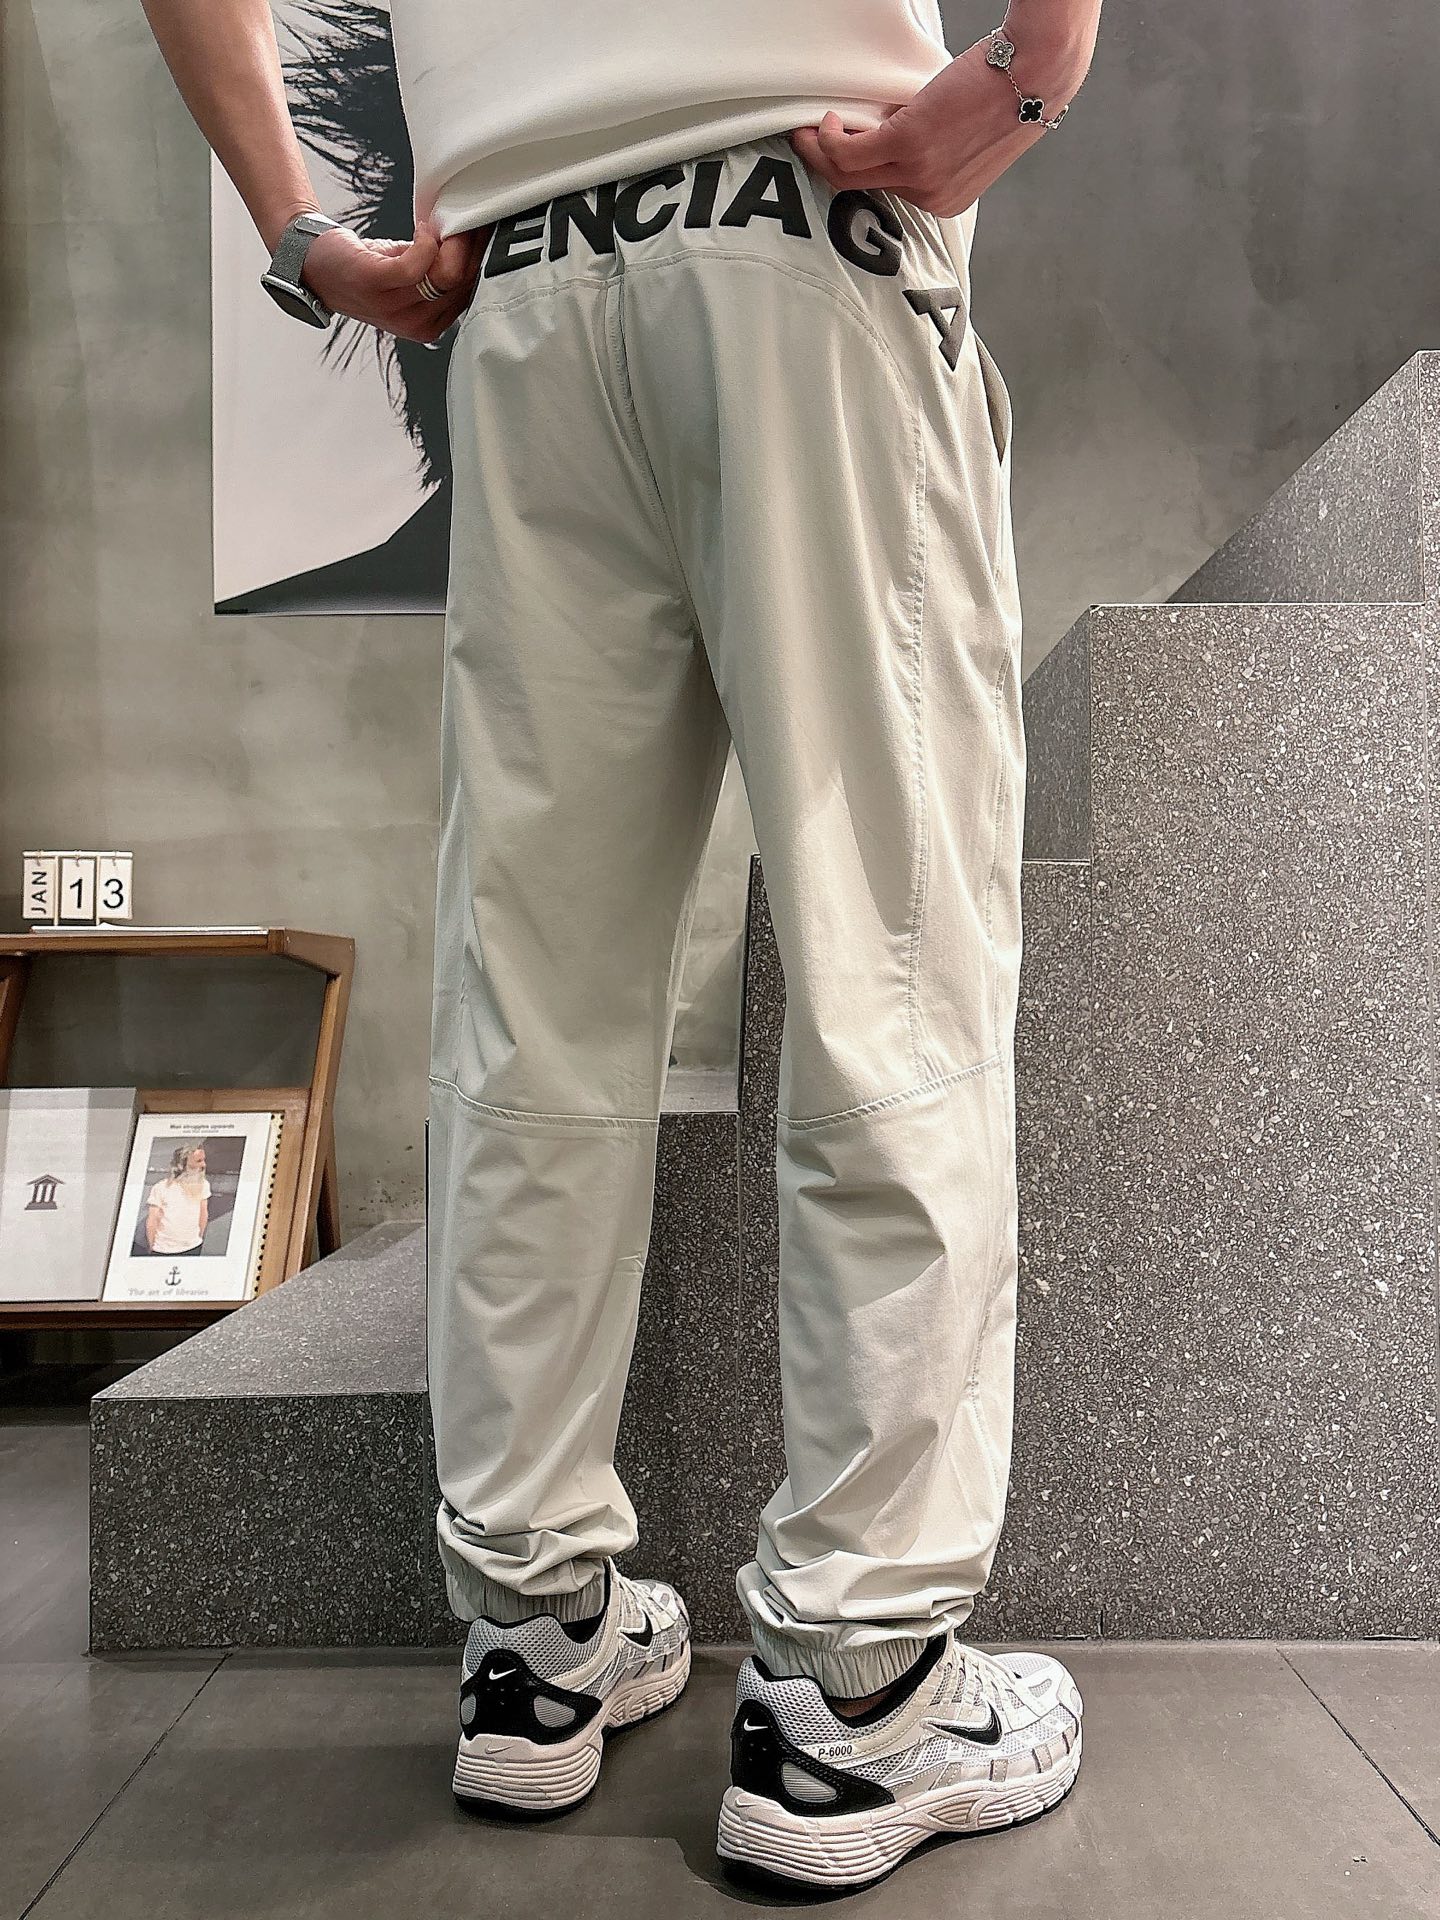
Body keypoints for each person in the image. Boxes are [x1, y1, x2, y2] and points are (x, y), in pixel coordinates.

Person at [140, 0, 1102, 1889]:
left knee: (535, 999)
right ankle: (862, 1696)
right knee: (890, 964)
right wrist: (1035, 65)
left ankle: (533, 1635)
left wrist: (304, 237)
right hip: (800, 215)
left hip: (524, 286)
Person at [143, 1142, 210, 1255]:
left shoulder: (204, 1185)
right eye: (198, 1161)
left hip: (193, 1246)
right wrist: (151, 1246)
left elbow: (203, 1214)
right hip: (163, 1249)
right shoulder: (161, 1187)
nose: (204, 1165)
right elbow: (152, 1220)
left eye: (204, 1160)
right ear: (183, 1165)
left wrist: (198, 1238)